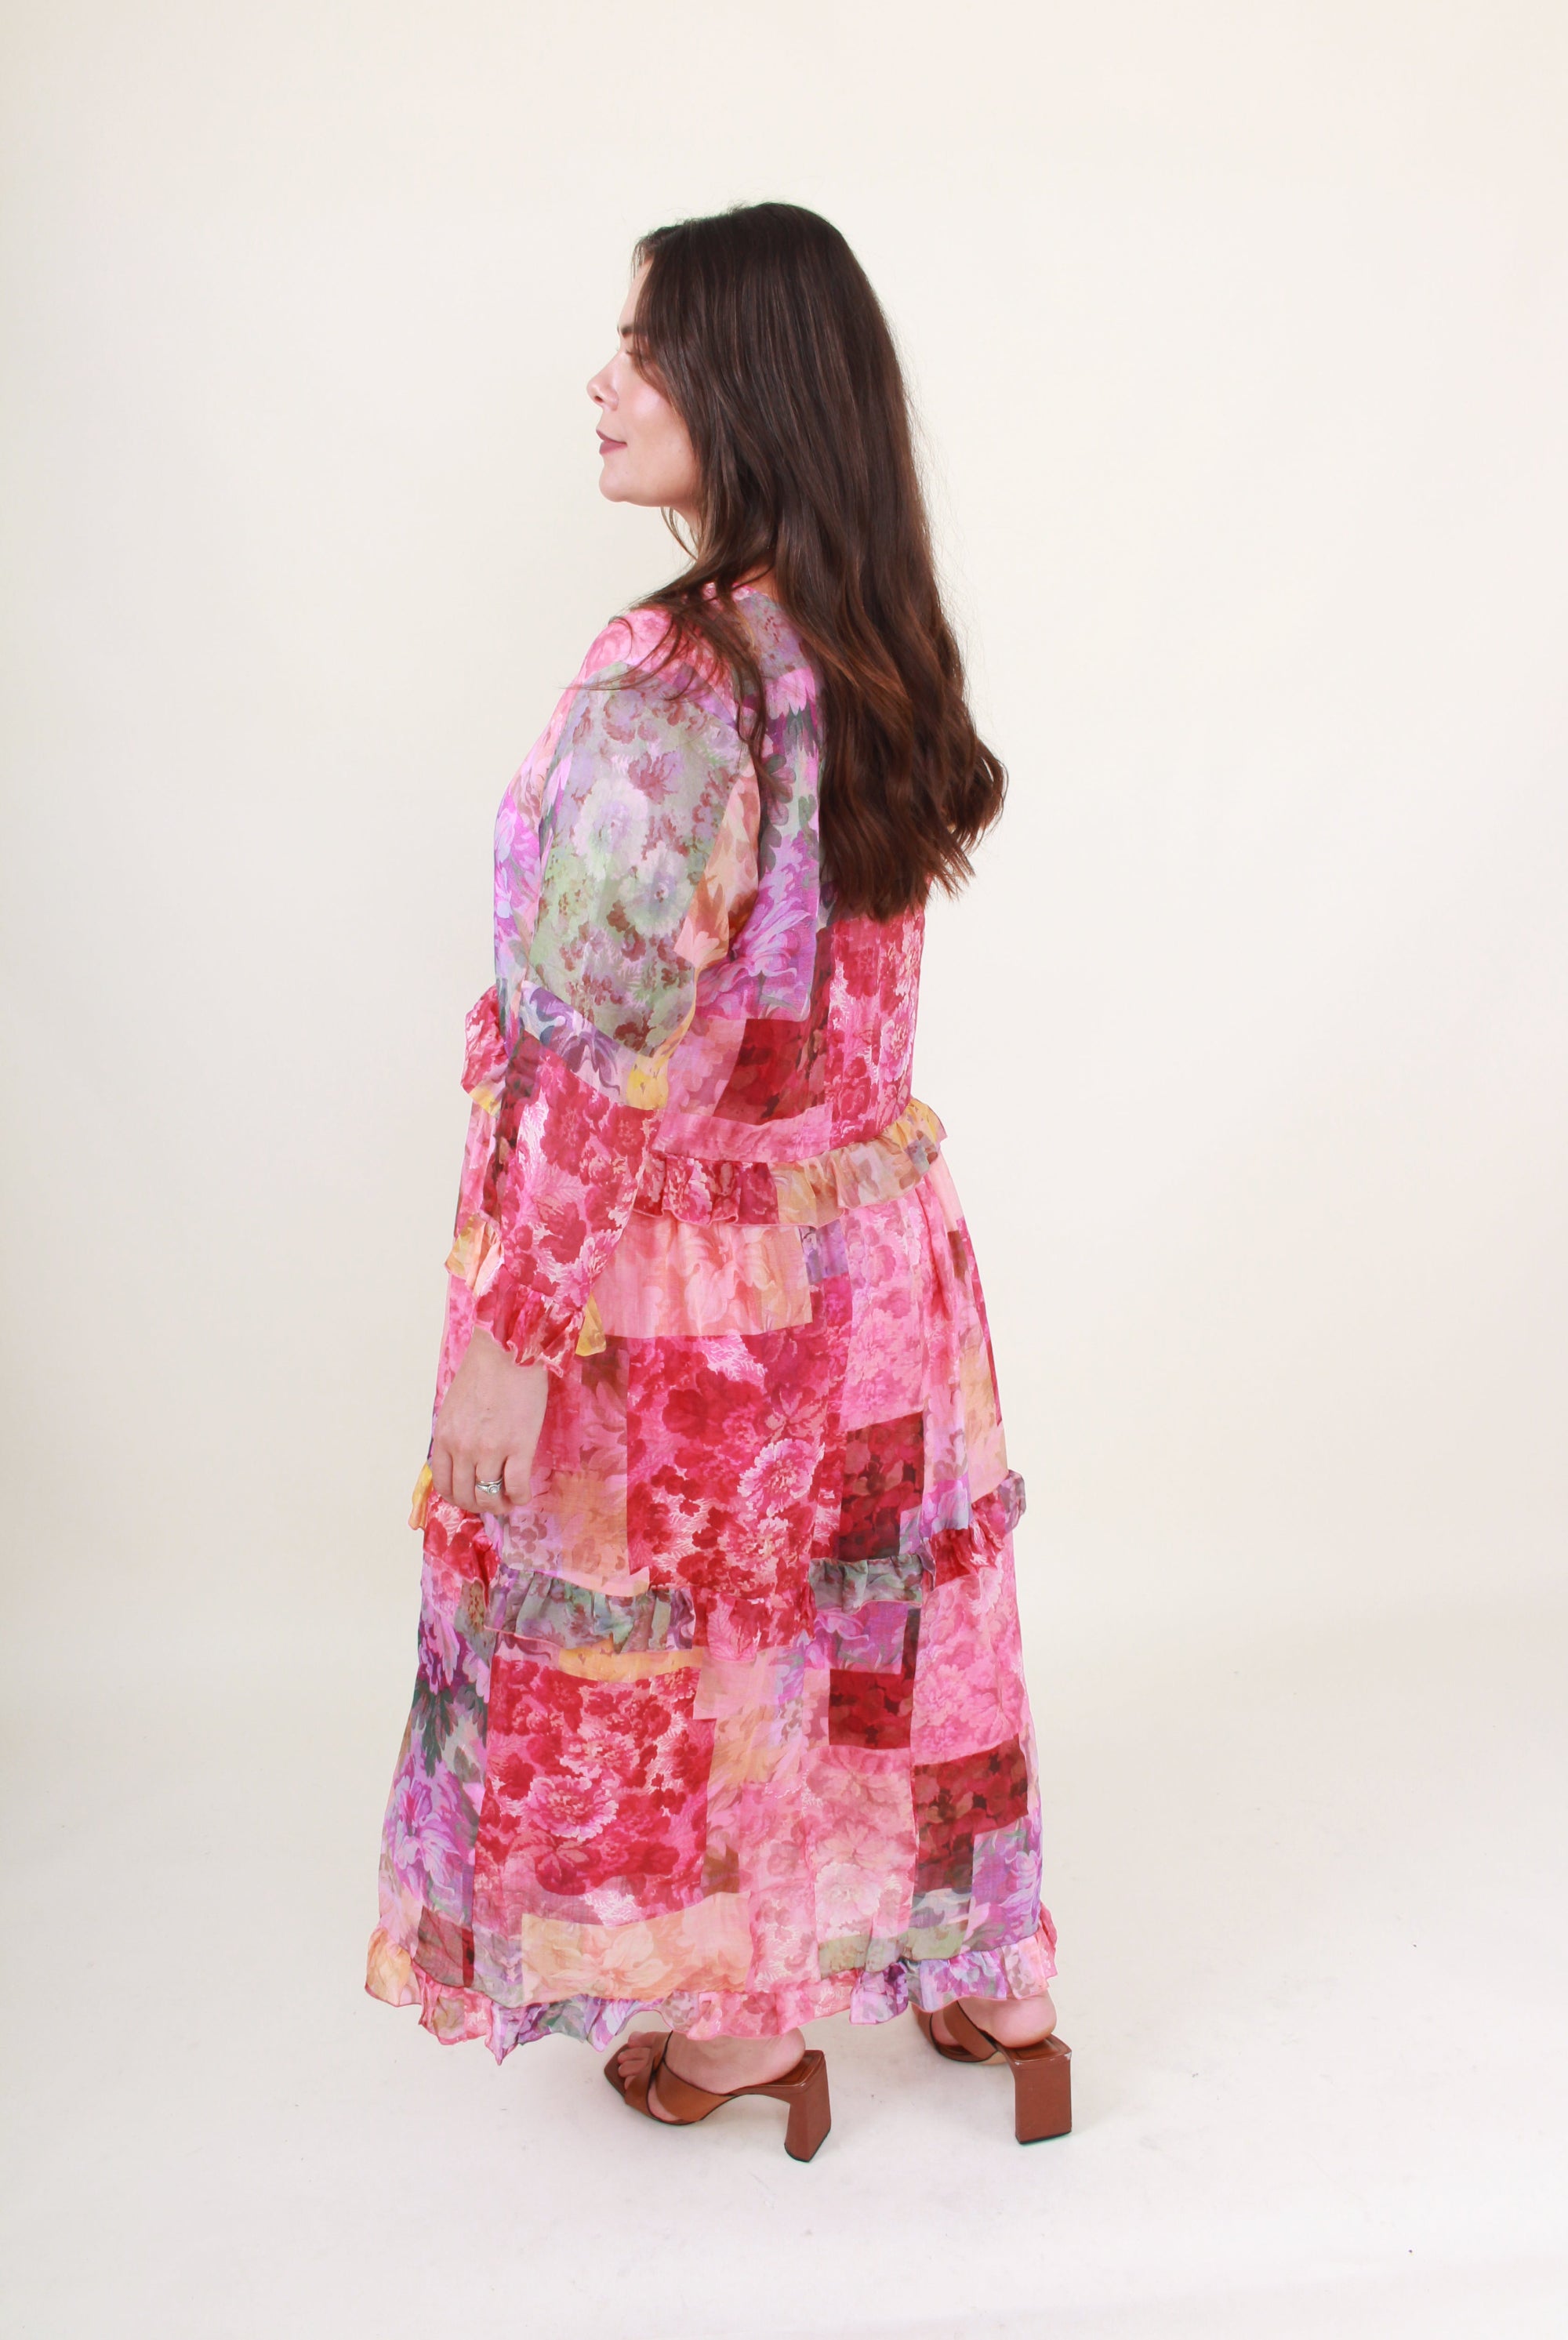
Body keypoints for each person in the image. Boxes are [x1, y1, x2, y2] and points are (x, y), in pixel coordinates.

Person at [366, 201, 1069, 2159]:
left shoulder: (676, 678)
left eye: (646, 351)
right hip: (873, 1258)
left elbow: (600, 1050)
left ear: (745, 390)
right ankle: (989, 1979)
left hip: (680, 1275)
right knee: (845, 1631)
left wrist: (513, 1326)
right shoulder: (870, 646)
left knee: (687, 1649)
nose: (603, 382)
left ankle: (745, 2028)